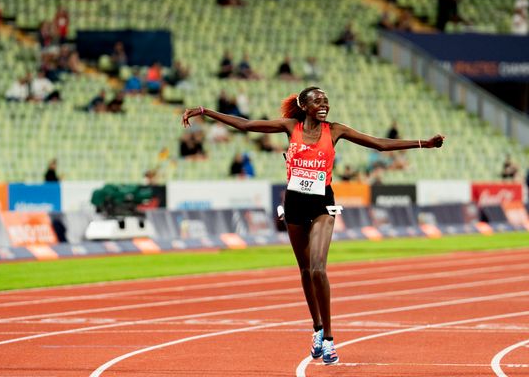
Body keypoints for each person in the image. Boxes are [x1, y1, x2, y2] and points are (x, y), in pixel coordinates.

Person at [181, 86, 444, 365]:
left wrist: (423, 144)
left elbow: (378, 143)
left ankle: (329, 338)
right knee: (305, 270)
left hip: (322, 204)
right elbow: (246, 125)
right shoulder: (289, 126)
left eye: (326, 100)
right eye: (317, 100)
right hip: (294, 202)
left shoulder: (336, 130)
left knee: (318, 268)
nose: (324, 104)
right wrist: (205, 112)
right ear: (303, 105)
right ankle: (317, 328)